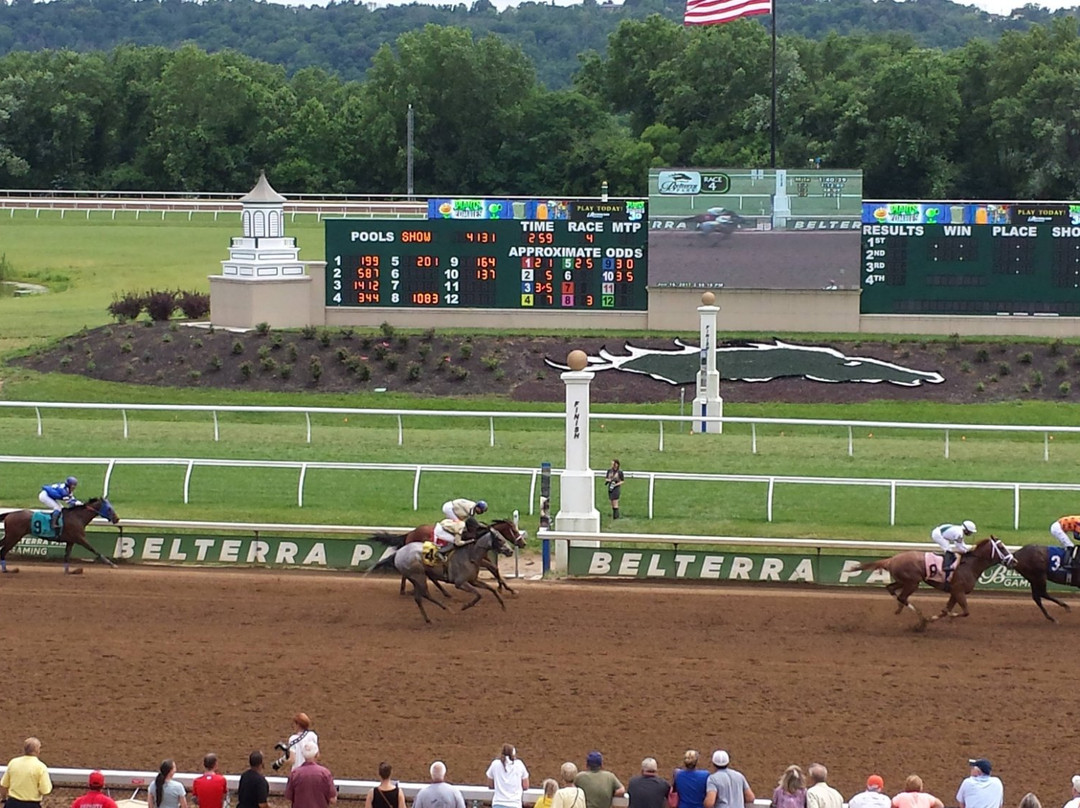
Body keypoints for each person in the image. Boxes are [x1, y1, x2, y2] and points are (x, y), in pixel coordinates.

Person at [0, 738, 53, 808]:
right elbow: (45, 790)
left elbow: (4, 785)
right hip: (31, 805)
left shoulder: (13, 763)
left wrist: (4, 799)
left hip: (12, 804)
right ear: (37, 750)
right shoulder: (41, 767)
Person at [284, 739, 336, 808]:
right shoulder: (325, 773)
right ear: (317, 755)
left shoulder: (295, 774)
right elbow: (333, 800)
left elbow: (289, 796)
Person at [486, 744, 530, 808]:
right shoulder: (519, 765)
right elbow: (525, 786)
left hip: (498, 803)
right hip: (515, 804)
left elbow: (490, 785)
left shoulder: (495, 764)